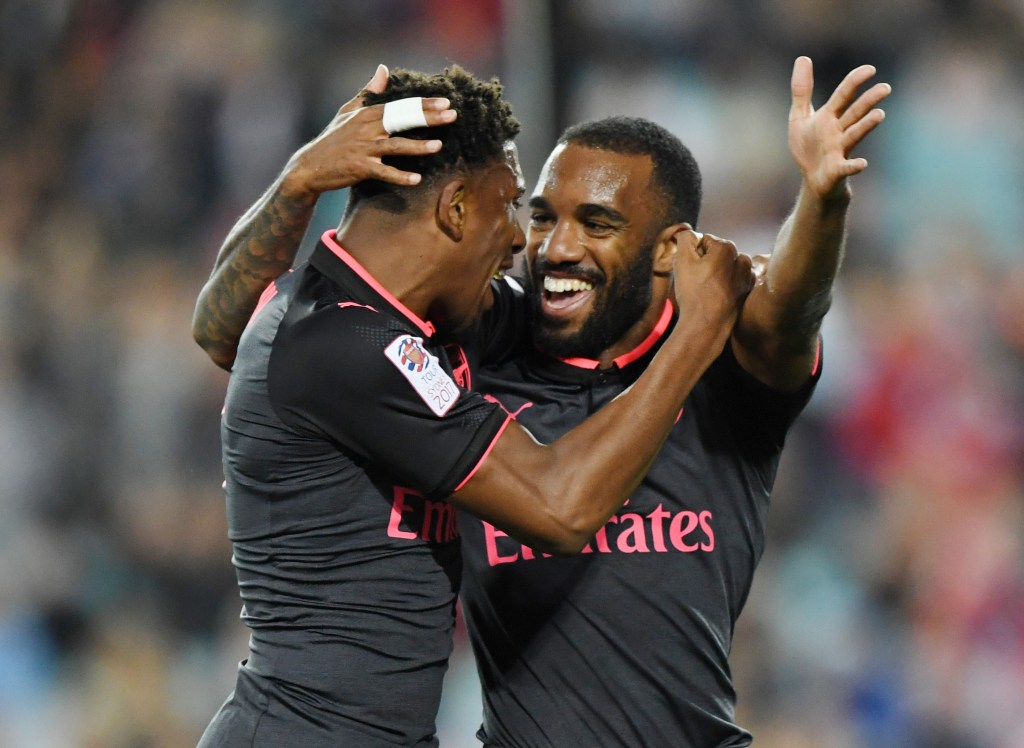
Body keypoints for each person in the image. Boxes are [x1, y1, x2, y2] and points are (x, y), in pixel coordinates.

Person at [193, 58, 890, 746]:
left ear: (668, 248)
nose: (531, 244)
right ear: (456, 208)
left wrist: (820, 200)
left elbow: (786, 313)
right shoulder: (370, 342)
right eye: (523, 211)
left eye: (595, 222)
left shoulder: (439, 327)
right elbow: (560, 507)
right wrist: (302, 174)